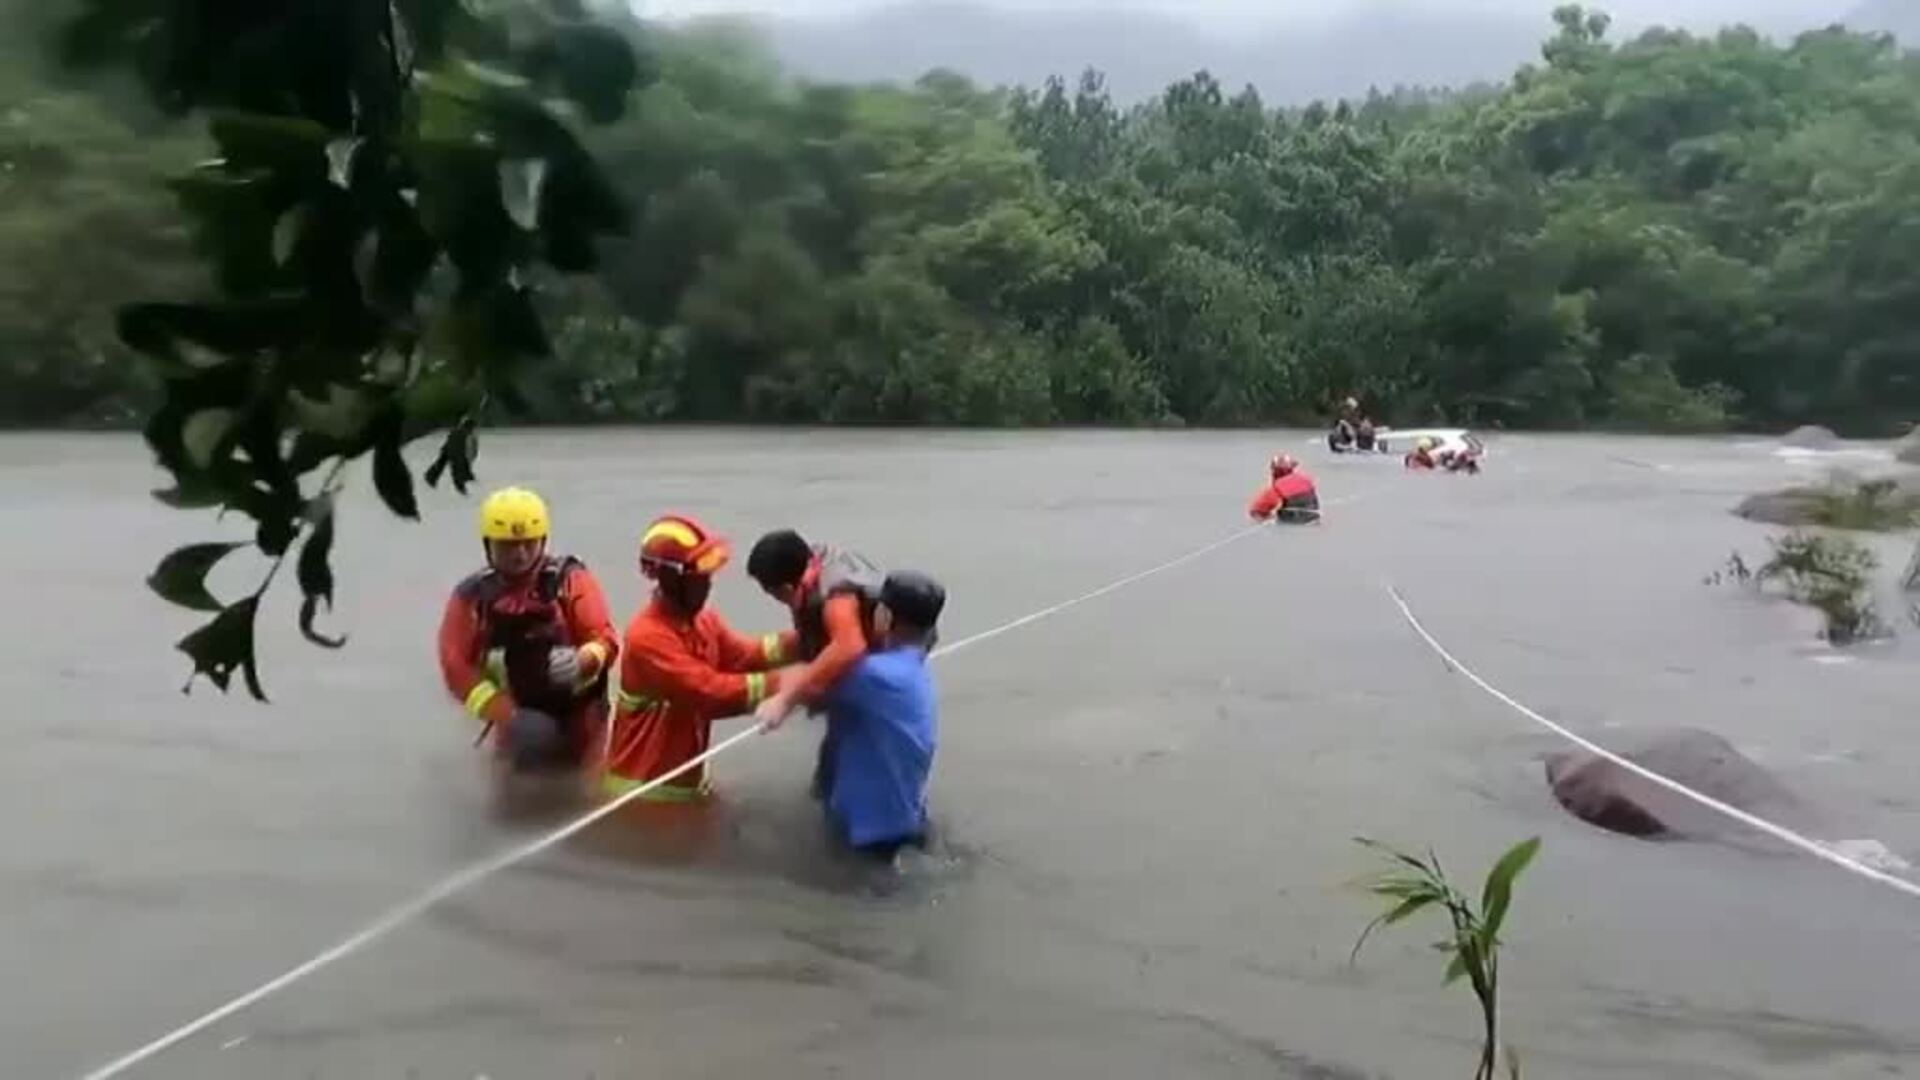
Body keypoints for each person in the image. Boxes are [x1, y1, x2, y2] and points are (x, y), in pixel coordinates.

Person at [603, 514, 798, 803]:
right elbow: (709, 694)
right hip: (643, 798)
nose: (707, 584)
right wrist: (793, 683)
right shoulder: (647, 637)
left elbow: (745, 656)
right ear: (670, 579)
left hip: (684, 790)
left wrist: (807, 640)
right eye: (698, 576)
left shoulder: (703, 620)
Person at [437, 486, 619, 776]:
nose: (519, 555)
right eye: (507, 546)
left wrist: (584, 660)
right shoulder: (473, 598)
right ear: (488, 545)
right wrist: (505, 713)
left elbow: (604, 638)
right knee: (519, 781)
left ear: (542, 541)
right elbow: (455, 667)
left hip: (580, 712)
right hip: (517, 715)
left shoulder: (570, 581)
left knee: (585, 785)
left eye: (528, 544)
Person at [768, 570, 945, 863]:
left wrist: (778, 701)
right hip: (906, 821)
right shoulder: (912, 668)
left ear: (884, 617)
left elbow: (808, 686)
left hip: (870, 838)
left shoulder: (871, 676)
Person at [744, 529, 885, 796]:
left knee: (851, 769)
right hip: (864, 665)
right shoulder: (810, 565)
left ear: (785, 589)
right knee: (831, 768)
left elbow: (849, 646)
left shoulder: (837, 595)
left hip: (880, 675)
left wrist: (786, 699)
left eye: (773, 594)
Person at [1247, 454, 1321, 523]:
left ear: (1274, 471)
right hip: (1314, 519)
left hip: (1291, 522)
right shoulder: (1307, 480)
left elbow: (1256, 511)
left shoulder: (1276, 487)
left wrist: (1267, 517)